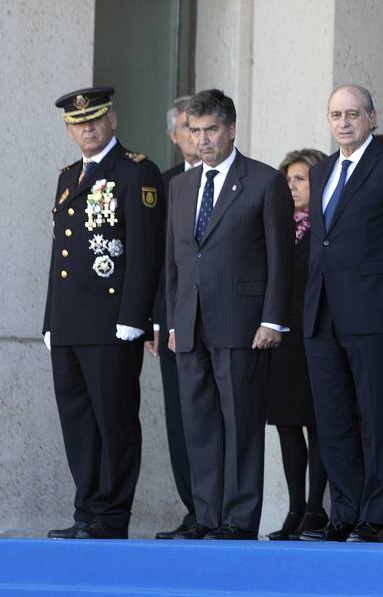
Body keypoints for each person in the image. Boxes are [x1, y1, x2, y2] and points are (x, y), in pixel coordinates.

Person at [302, 85, 383, 544]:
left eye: (353, 113)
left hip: (377, 317)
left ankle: (374, 517)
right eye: (336, 113)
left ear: (372, 118)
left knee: (375, 420)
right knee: (333, 419)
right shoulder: (320, 172)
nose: (343, 122)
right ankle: (344, 514)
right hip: (322, 315)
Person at [164, 89, 291, 540]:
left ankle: (238, 520)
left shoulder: (263, 181)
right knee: (198, 426)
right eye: (194, 131)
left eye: (211, 130)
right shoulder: (179, 187)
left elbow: (281, 258)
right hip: (190, 324)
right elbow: (174, 261)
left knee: (240, 425)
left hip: (243, 324)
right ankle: (206, 516)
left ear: (231, 129)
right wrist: (173, 321)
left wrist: (272, 319)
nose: (202, 140)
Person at [44, 87, 165, 539]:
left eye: (95, 119)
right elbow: (61, 254)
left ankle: (112, 515)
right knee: (78, 422)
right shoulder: (69, 176)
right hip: (70, 323)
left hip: (114, 322)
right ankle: (86, 511)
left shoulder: (137, 172)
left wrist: (136, 317)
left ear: (112, 120)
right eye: (78, 123)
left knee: (114, 421)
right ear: (70, 129)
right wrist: (49, 321)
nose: (87, 128)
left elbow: (145, 251)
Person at [266, 148, 330, 540]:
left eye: (300, 179)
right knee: (287, 425)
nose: (292, 186)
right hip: (280, 340)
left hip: (317, 338)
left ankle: (315, 510)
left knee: (318, 426)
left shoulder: (328, 225)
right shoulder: (274, 225)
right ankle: (294, 510)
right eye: (287, 180)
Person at [152, 96, 201, 539]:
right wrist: (154, 319)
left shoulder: (237, 181)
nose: (196, 135)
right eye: (188, 127)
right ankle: (193, 509)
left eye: (203, 126)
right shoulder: (163, 184)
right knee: (179, 419)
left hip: (220, 322)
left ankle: (220, 511)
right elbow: (155, 259)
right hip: (172, 324)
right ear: (174, 135)